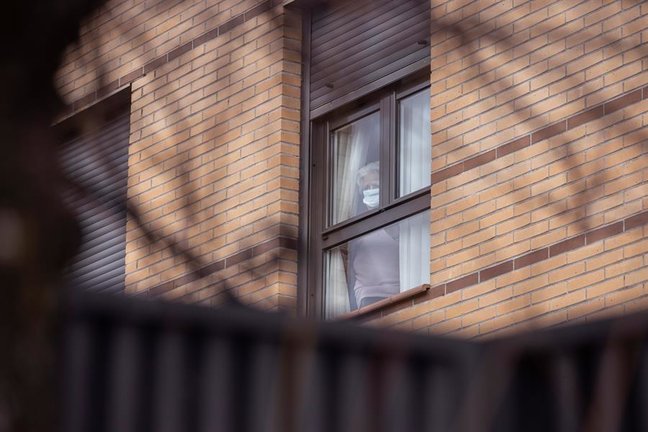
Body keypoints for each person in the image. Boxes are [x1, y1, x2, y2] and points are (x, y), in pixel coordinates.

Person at [348, 161, 400, 308]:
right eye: (367, 188)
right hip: (368, 296)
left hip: (399, 292)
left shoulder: (399, 218)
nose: (370, 190)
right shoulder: (357, 226)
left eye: (375, 186)